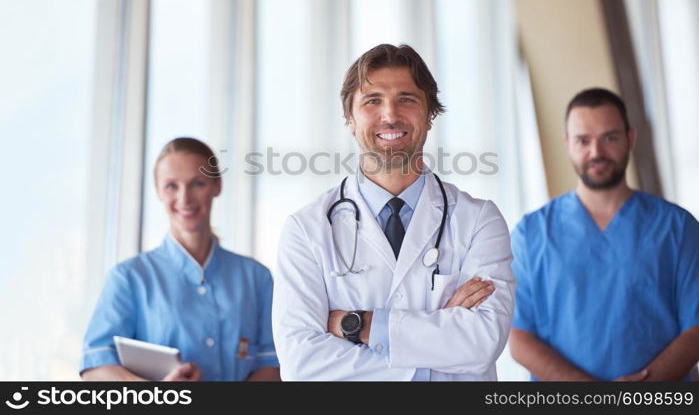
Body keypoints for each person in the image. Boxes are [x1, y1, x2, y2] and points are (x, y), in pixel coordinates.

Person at [272, 44, 514, 380]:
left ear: (430, 116)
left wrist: (358, 325)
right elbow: (302, 365)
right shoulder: (306, 229)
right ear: (349, 118)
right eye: (372, 101)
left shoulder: (478, 220)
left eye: (407, 99)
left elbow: (483, 341)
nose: (390, 115)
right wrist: (434, 358)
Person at [509, 88, 699, 381]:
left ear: (630, 138)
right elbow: (519, 335)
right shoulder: (531, 234)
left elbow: (695, 329)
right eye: (583, 141)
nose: (596, 152)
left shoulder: (677, 227)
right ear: (567, 144)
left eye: (609, 138)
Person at [80, 138, 280, 381]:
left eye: (198, 183)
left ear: (217, 186)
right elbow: (95, 365)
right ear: (158, 191)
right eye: (171, 186)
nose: (185, 198)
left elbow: (273, 364)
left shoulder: (256, 278)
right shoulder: (129, 277)